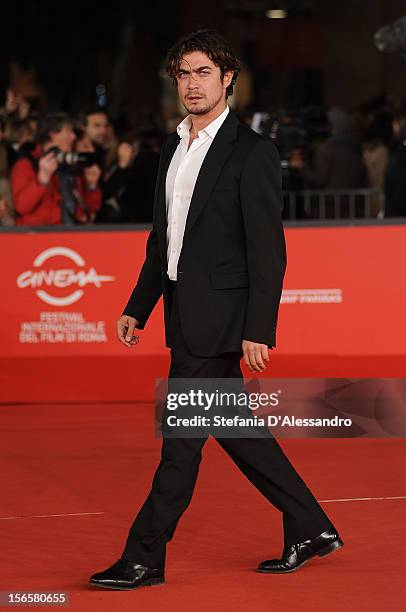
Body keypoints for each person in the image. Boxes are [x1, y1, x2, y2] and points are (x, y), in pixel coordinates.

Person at [90, 29, 343, 591]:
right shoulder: (172, 147)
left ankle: (144, 556)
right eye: (183, 74)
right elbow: (165, 239)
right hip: (185, 315)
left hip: (222, 323)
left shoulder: (252, 152)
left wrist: (259, 328)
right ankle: (311, 526)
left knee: (179, 446)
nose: (191, 84)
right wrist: (140, 304)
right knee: (236, 429)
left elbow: (267, 251)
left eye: (203, 72)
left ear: (227, 78)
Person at [11, 112, 102, 226]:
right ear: (53, 135)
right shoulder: (26, 165)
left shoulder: (71, 165)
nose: (73, 137)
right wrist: (42, 179)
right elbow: (21, 207)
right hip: (40, 237)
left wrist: (92, 186)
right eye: (68, 131)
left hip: (73, 235)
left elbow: (90, 209)